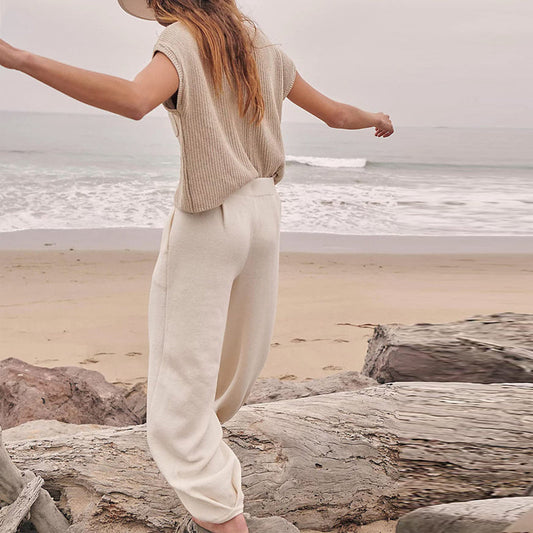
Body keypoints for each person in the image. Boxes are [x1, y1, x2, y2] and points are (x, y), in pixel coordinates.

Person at [0, 1, 393, 532]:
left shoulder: (186, 39)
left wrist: (20, 58)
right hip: (262, 216)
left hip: (210, 223)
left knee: (180, 393)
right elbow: (337, 115)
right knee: (229, 373)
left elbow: (135, 99)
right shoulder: (262, 45)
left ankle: (223, 519)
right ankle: (212, 489)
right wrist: (377, 118)